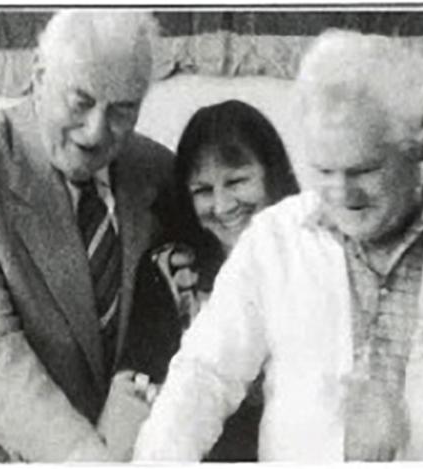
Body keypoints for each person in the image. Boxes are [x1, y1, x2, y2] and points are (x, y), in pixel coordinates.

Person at [133, 30, 423, 462]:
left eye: (363, 171)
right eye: (324, 171)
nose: (342, 195)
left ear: (422, 143)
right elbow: (205, 375)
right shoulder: (274, 241)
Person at [0, 11, 174, 462]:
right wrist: (87, 458)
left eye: (123, 110)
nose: (97, 131)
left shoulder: (159, 172)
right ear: (40, 76)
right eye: (81, 101)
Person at [100, 99, 299, 461]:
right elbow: (142, 390)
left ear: (273, 175)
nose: (222, 206)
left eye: (237, 181)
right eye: (203, 190)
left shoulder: (314, 256)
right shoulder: (170, 270)